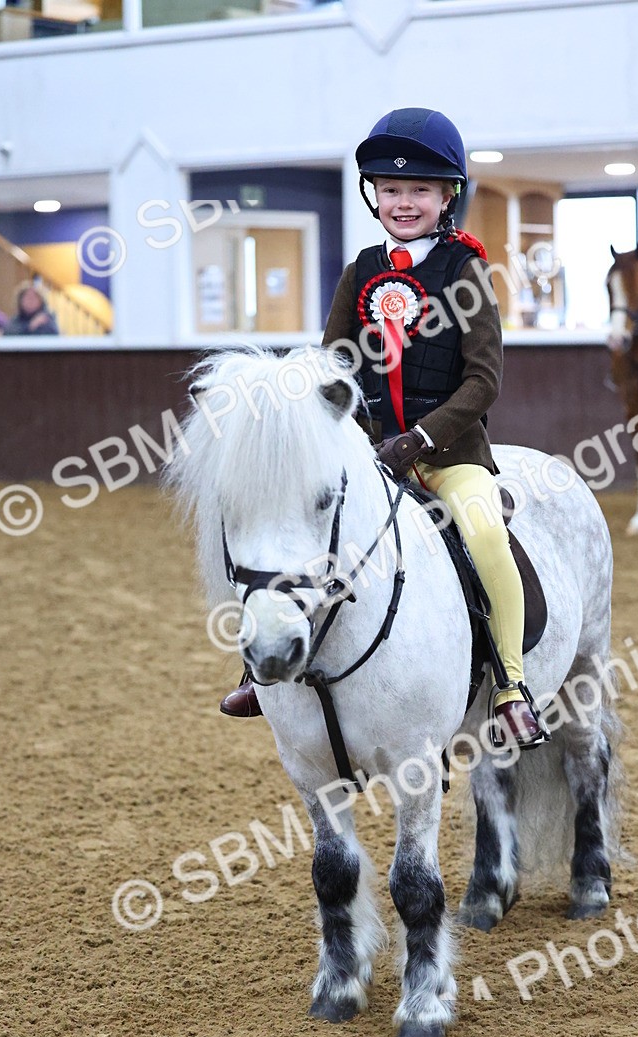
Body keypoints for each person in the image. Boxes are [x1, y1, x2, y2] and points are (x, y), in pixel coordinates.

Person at [221, 107, 545, 748]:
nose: (404, 202)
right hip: (366, 451)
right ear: (374, 195)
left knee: (484, 535)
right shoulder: (360, 272)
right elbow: (329, 364)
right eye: (391, 189)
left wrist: (422, 439)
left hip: (448, 454)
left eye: (420, 189)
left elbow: (484, 383)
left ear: (447, 195)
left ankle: (509, 683)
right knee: (296, 534)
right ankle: (263, 671)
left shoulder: (467, 272)